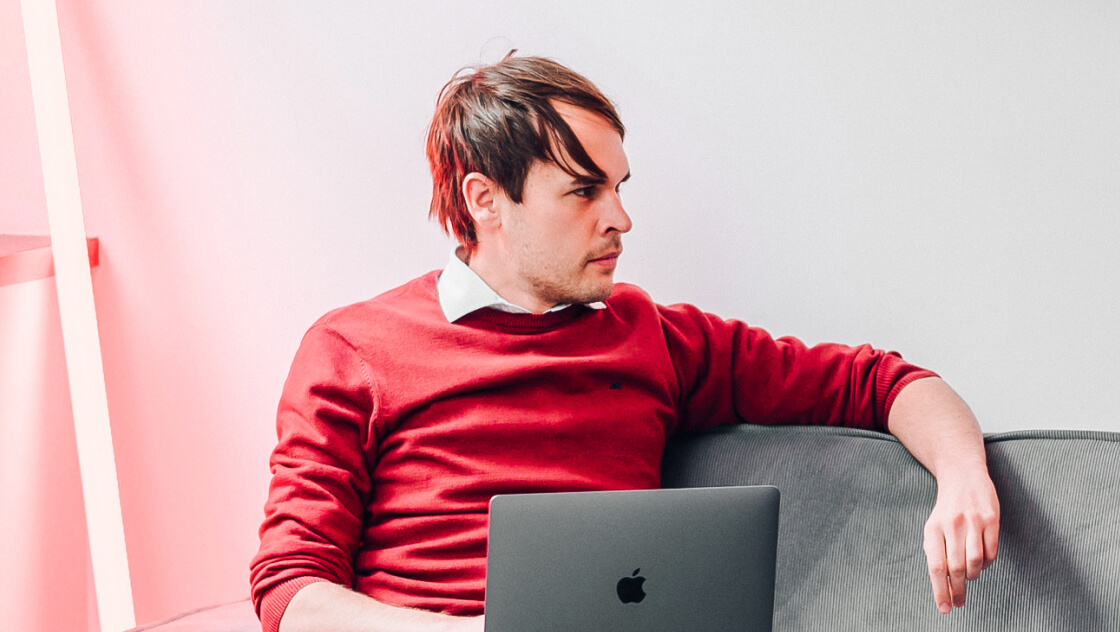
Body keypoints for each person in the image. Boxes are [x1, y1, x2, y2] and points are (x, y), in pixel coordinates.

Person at [250, 52, 1000, 632]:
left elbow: (885, 383)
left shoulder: (654, 336)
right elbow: (291, 590)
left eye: (619, 186)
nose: (620, 219)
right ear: (486, 201)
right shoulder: (353, 348)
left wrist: (963, 477)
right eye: (583, 192)